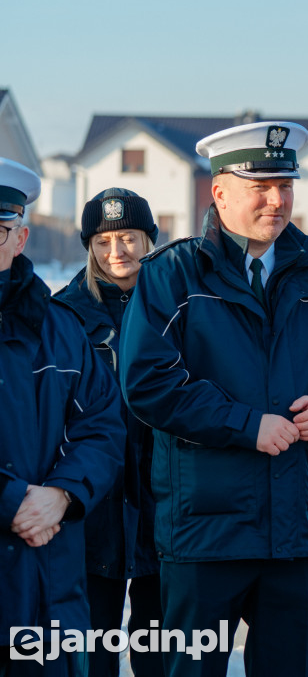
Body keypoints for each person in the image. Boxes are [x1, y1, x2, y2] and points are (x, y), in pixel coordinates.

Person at [119, 121, 308, 677]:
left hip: (293, 532)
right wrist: (246, 425)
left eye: (285, 185)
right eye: (259, 185)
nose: (276, 199)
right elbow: (148, 382)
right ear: (219, 192)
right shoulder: (173, 275)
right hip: (204, 535)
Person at [0, 159, 124, 676]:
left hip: (50, 577)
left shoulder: (61, 329)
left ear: (21, 237)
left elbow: (101, 424)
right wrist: (11, 500)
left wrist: (64, 494)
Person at [54, 188, 163, 677]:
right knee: (92, 642)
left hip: (162, 495)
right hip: (92, 501)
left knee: (159, 641)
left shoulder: (174, 303)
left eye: (128, 238)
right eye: (102, 242)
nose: (116, 252)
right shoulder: (64, 315)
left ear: (148, 240)